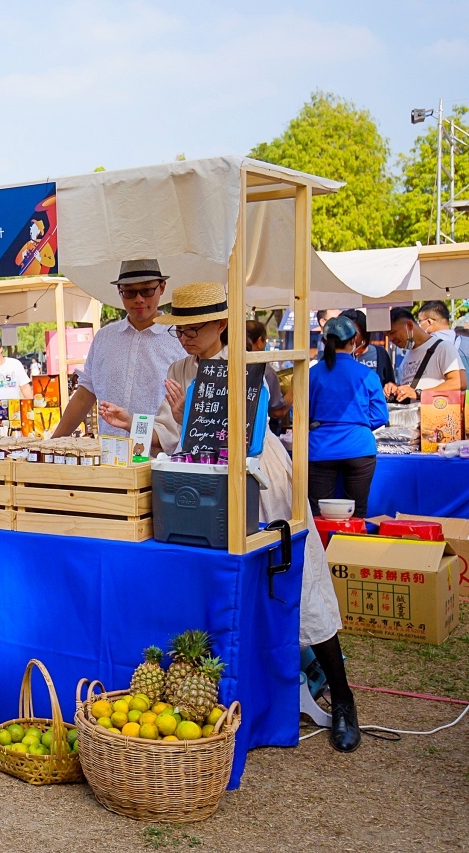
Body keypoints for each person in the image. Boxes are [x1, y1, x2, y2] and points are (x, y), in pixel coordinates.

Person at [101, 281, 361, 752]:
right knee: (228, 584)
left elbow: (241, 433)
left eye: (193, 330)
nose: (185, 339)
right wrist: (132, 422)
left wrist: (187, 420)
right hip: (205, 487)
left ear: (221, 324)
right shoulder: (180, 367)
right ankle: (251, 693)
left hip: (260, 480)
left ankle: (342, 698)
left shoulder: (247, 365)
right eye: (180, 331)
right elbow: (170, 433)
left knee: (299, 579)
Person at [53, 259, 185, 437]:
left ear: (162, 287)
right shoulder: (104, 338)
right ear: (119, 291)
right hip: (110, 449)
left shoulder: (179, 338)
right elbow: (85, 395)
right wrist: (53, 442)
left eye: (147, 291)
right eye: (130, 292)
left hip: (161, 451)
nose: (139, 299)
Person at [306, 315, 388, 519]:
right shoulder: (367, 374)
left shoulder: (311, 374)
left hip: (321, 448)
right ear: (353, 341)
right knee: (357, 513)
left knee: (318, 515)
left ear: (324, 341)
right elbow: (380, 415)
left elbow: (298, 414)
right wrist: (357, 424)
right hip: (359, 448)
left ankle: (321, 542)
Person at [386, 307, 464, 403]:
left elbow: (459, 382)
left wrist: (420, 393)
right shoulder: (407, 356)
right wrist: (396, 389)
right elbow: (410, 390)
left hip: (437, 410)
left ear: (409, 325)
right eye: (387, 335)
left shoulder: (443, 348)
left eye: (392, 332)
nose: (391, 338)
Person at [245, 320, 290, 431]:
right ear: (259, 341)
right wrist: (293, 390)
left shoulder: (225, 366)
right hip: (260, 432)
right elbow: (277, 412)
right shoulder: (267, 372)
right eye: (265, 341)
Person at [337, 309, 395, 387]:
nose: (349, 337)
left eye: (354, 332)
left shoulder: (380, 354)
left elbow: (390, 383)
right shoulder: (331, 356)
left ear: (364, 332)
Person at [0, 335, 31, 400]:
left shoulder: (15, 364)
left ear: (0, 349)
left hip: (13, 405)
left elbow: (25, 387)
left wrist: (31, 403)